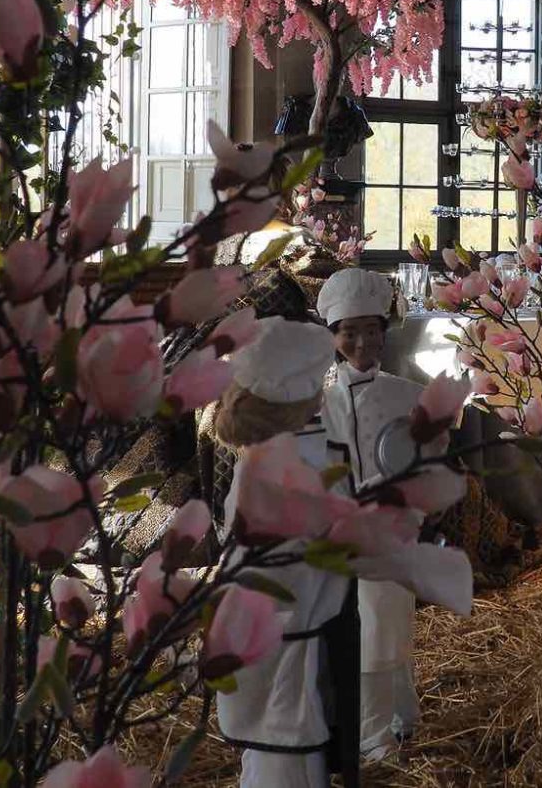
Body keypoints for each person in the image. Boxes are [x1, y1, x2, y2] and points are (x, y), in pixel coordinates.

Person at [316, 268, 449, 763]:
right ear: (334, 338)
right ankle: (374, 731)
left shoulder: (404, 393)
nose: (363, 342)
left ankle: (395, 717)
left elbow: (432, 450)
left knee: (389, 619)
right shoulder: (323, 401)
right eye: (349, 333)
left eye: (372, 330)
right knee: (370, 626)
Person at [213, 316, 350, 788]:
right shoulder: (297, 464)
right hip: (289, 633)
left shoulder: (262, 454)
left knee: (269, 753)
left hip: (260, 629)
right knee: (287, 758)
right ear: (304, 398)